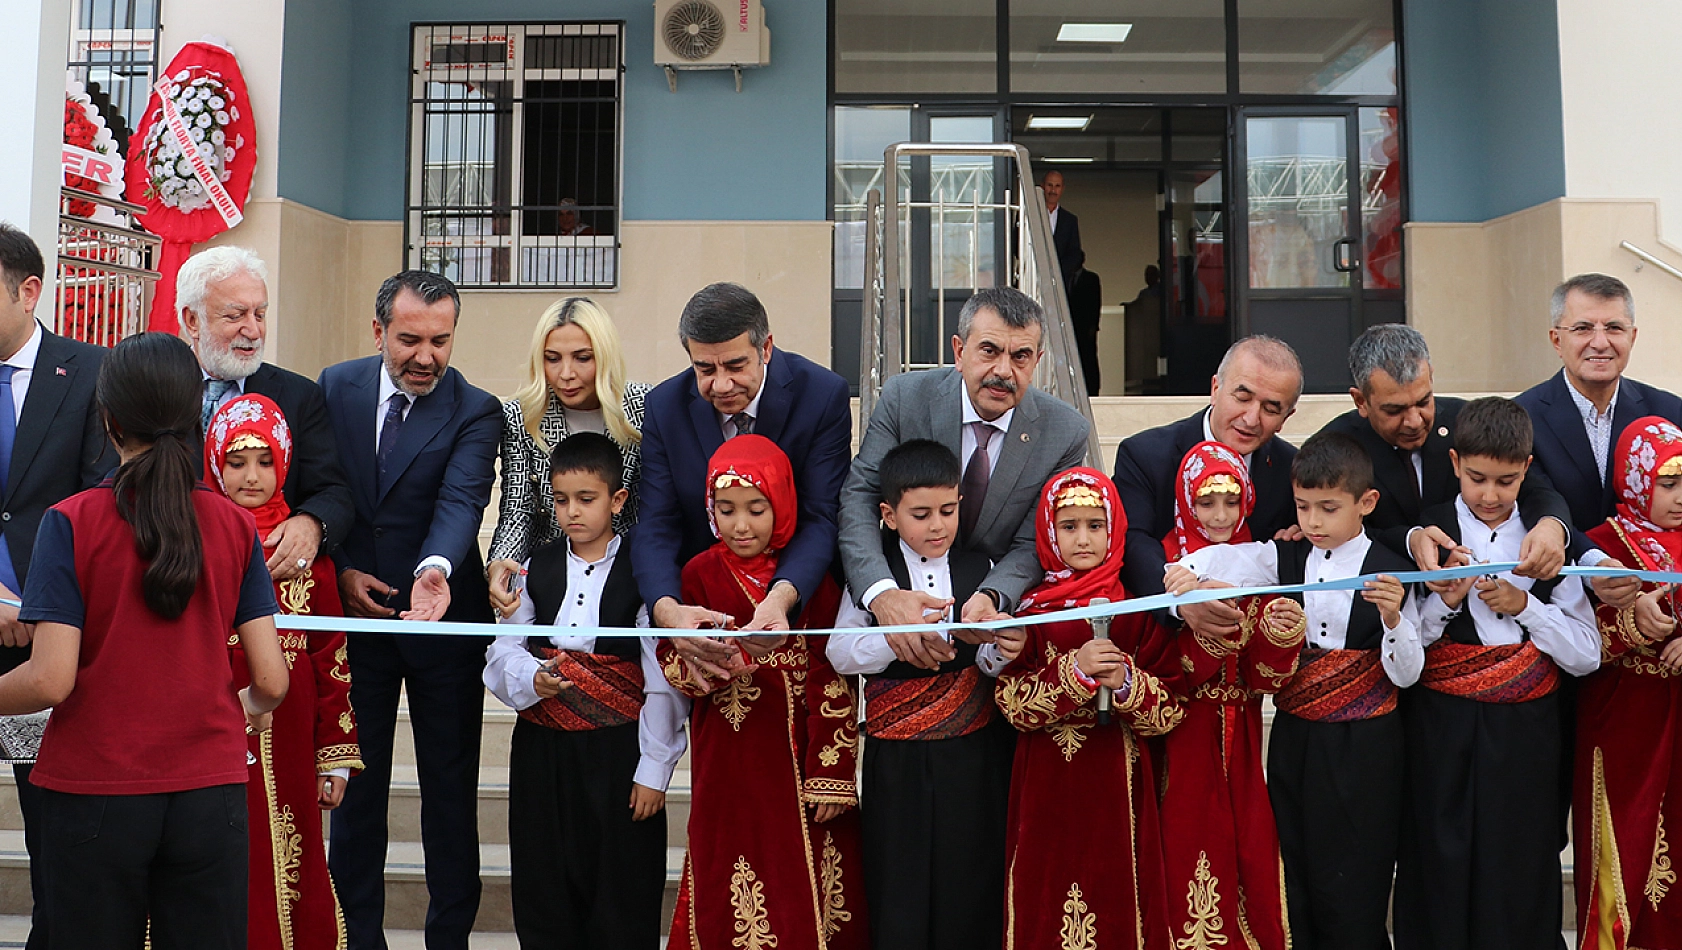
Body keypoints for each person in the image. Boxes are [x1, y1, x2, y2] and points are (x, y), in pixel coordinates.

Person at [0, 332, 288, 949]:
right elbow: (270, 680)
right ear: (193, 415)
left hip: (95, 791)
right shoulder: (233, 525)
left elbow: (50, 678)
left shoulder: (71, 521)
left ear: (108, 418)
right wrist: (236, 712)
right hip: (210, 791)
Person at [1167, 431, 1420, 949]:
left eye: (1329, 509)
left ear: (1366, 503)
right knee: (1295, 867)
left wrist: (1393, 617)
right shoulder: (1281, 556)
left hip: (1366, 746)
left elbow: (1407, 672)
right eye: (1304, 507)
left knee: (1356, 875)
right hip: (1296, 737)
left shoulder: (1391, 566)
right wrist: (1184, 588)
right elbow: (1206, 563)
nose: (1314, 522)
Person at [318, 270, 501, 950]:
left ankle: (447, 938)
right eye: (410, 340)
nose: (426, 356)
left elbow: (462, 500)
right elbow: (320, 487)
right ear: (378, 333)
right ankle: (357, 937)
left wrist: (434, 571)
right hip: (356, 622)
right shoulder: (334, 386)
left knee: (448, 794)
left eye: (441, 340)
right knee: (356, 794)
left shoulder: (476, 409)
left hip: (443, 623)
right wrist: (338, 572)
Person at [1393, 397, 1600, 950]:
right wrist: (1446, 603)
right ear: (1455, 462)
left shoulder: (1547, 540)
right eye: (1477, 478)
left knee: (1520, 855)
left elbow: (1586, 653)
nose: (1489, 495)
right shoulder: (1428, 535)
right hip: (1442, 720)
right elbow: (1406, 651)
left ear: (1527, 471)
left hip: (1527, 727)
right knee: (1439, 848)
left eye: (1506, 481)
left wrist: (1524, 606)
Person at [657, 435, 866, 950]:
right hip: (725, 761)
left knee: (804, 873)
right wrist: (706, 663)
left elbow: (833, 675)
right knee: (726, 865)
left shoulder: (808, 580)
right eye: (725, 510)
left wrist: (832, 774)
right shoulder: (698, 575)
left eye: (756, 508)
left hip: (796, 764)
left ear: (783, 504)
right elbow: (670, 659)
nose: (741, 525)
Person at [483, 433, 687, 949]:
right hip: (542, 753)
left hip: (617, 752)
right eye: (561, 499)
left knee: (621, 887)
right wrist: (531, 677)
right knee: (544, 881)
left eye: (586, 499)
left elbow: (660, 680)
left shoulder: (645, 572)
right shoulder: (538, 566)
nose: (572, 512)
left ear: (617, 500)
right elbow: (502, 649)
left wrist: (653, 770)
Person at [828, 439, 1011, 950]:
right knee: (898, 877)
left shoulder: (985, 569)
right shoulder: (872, 576)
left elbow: (999, 661)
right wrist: (895, 641)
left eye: (948, 510)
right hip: (897, 759)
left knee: (970, 874)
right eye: (921, 513)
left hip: (974, 753)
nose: (937, 526)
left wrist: (994, 645)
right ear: (887, 514)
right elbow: (841, 654)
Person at [991, 467, 1183, 950]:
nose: (1083, 539)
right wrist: (1072, 676)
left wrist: (1125, 683)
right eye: (1069, 526)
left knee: (1118, 885)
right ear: (1048, 533)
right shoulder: (1031, 614)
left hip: (1119, 781)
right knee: (1044, 885)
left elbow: (1170, 709)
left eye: (1096, 525)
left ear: (1115, 527)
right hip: (1045, 784)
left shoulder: (1138, 611)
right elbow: (1011, 704)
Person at [206, 393, 362, 950]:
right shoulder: (197, 544)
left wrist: (336, 755)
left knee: (294, 857)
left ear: (286, 462)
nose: (252, 476)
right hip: (211, 743)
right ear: (213, 463)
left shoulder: (306, 558)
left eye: (265, 460)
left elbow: (331, 660)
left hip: (293, 746)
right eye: (237, 461)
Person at [632, 282, 852, 673]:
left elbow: (822, 515)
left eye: (735, 366)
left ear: (765, 348)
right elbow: (656, 524)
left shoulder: (820, 395)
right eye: (704, 369)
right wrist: (669, 612)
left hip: (801, 604)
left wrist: (780, 599)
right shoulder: (665, 408)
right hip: (705, 611)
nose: (721, 385)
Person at [841, 286, 1091, 625]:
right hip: (903, 590)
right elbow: (860, 495)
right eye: (989, 351)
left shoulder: (1065, 431)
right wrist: (882, 593)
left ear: (1037, 361)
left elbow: (1036, 539)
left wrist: (993, 596)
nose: (1003, 370)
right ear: (959, 352)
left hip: (994, 617)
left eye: (1020, 356)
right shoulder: (904, 399)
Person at [0, 222, 114, 950]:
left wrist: (31, 604)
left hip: (49, 648)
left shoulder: (93, 373)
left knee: (57, 840)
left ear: (29, 290)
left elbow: (100, 505)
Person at [1154, 440, 1305, 950]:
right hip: (1178, 736)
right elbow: (1170, 666)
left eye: (1232, 501)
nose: (1220, 516)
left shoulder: (1264, 560)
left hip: (1241, 733)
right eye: (1205, 502)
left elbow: (1266, 677)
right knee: (1184, 840)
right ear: (1184, 502)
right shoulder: (1163, 565)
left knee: (1249, 844)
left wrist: (1281, 635)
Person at [1324, 323, 1575, 574]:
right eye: (1395, 410)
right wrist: (1410, 540)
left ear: (1431, 377)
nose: (1414, 421)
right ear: (1361, 401)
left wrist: (1551, 525)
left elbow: (1533, 488)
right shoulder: (1334, 448)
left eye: (1423, 402)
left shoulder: (1466, 420)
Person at [177, 246, 355, 580]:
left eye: (259, 314)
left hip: (267, 585)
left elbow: (333, 492)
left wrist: (312, 524)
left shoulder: (299, 396)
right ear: (192, 320)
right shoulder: (158, 389)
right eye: (235, 315)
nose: (254, 330)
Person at [1572, 416, 1682, 947]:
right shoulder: (1599, 547)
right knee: (1625, 841)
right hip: (1623, 718)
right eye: (1667, 482)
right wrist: (1631, 623)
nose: (1680, 497)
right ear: (1635, 480)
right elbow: (1575, 633)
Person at [1111, 334, 1303, 634]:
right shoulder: (1145, 455)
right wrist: (1180, 601)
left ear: (1286, 418)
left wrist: (1301, 541)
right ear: (1215, 389)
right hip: (1165, 639)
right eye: (1242, 398)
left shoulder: (1293, 470)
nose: (1251, 419)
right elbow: (1133, 541)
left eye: (1270, 408)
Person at [487, 297, 649, 617]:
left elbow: (649, 510)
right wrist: (501, 564)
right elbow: (518, 507)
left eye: (582, 358)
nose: (566, 374)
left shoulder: (644, 407)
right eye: (552, 359)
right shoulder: (522, 415)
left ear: (604, 356)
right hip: (547, 581)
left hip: (628, 581)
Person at [1516, 274, 1682, 533]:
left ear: (1632, 337)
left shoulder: (1670, 414)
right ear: (1557, 340)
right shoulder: (1523, 418)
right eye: (1583, 328)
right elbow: (1533, 504)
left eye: (1614, 328)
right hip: (1565, 568)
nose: (1600, 343)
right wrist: (1595, 559)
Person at [1042, 171, 1083, 296]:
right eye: (1050, 185)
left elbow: (1075, 253)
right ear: (1042, 186)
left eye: (1057, 186)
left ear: (1062, 189)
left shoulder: (1070, 220)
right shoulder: (1028, 216)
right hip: (1033, 280)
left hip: (1060, 286)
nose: (1053, 190)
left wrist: (1058, 270)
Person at [1068, 267, 1102, 396]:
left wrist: (1094, 325)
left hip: (1086, 327)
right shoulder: (1066, 278)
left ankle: (1093, 389)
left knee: (1089, 357)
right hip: (1072, 327)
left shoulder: (1091, 278)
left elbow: (1095, 302)